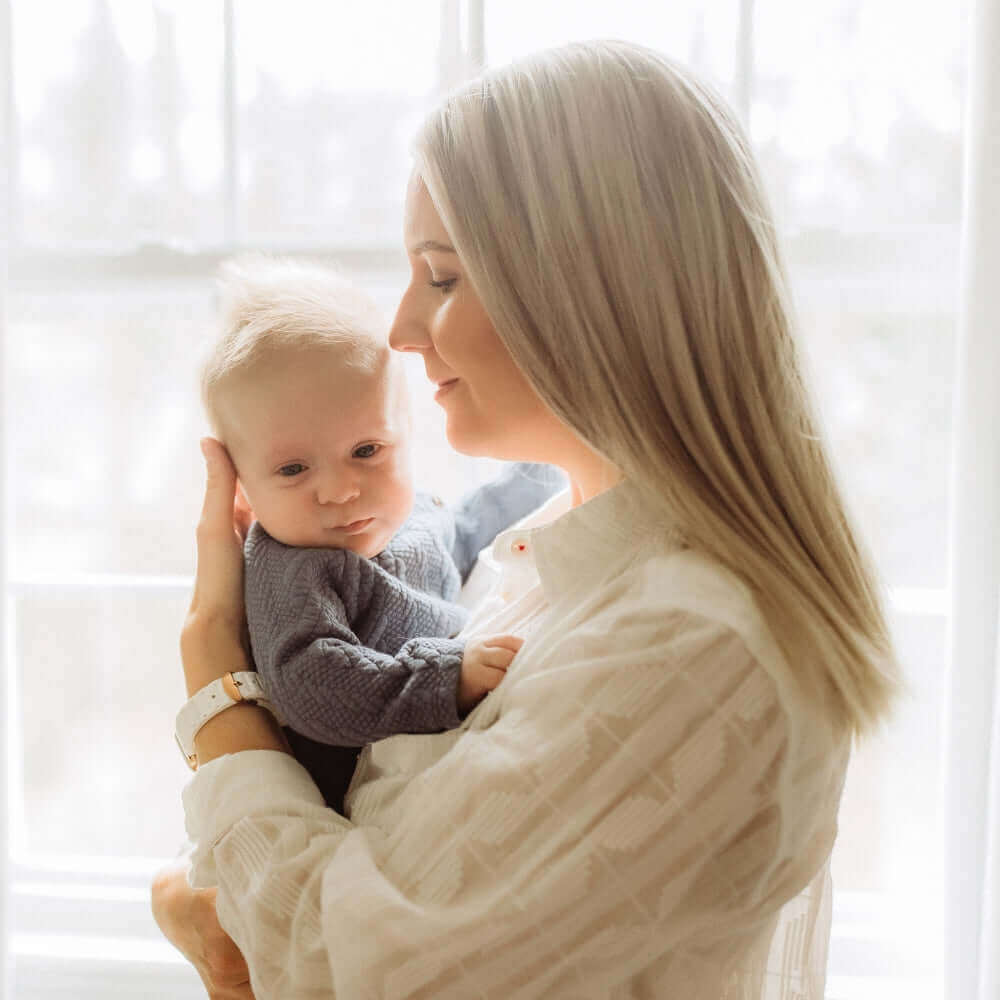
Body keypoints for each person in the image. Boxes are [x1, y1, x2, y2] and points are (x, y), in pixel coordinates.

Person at [152, 39, 899, 998]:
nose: (400, 328)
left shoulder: (692, 643)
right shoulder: (546, 561)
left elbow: (353, 971)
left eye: (443, 275)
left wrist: (216, 679)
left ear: (590, 291)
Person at [196, 255, 565, 810]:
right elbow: (312, 684)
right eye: (294, 469)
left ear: (405, 434)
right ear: (242, 490)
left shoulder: (410, 515)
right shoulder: (293, 568)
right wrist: (444, 678)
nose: (342, 490)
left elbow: (463, 536)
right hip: (336, 810)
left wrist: (544, 463)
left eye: (367, 451)